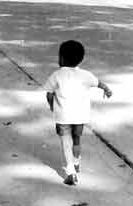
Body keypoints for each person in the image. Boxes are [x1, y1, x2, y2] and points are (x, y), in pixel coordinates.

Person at [44, 40, 112, 186]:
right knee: (76, 140)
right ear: (81, 59)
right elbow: (98, 83)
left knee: (65, 141)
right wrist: (106, 89)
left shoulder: (57, 75)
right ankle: (76, 162)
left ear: (61, 58)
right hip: (80, 116)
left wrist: (51, 106)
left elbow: (49, 94)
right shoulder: (85, 74)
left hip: (62, 116)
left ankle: (70, 172)